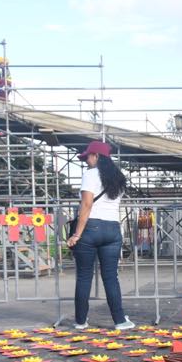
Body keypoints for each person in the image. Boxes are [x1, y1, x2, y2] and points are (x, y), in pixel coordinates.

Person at [66, 141, 134, 331]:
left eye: (88, 156)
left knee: (84, 277)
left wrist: (76, 234)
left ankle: (80, 321)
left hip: (91, 228)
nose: (86, 160)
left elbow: (86, 205)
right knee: (111, 277)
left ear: (96, 156)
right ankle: (120, 320)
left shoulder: (90, 175)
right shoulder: (119, 178)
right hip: (113, 229)